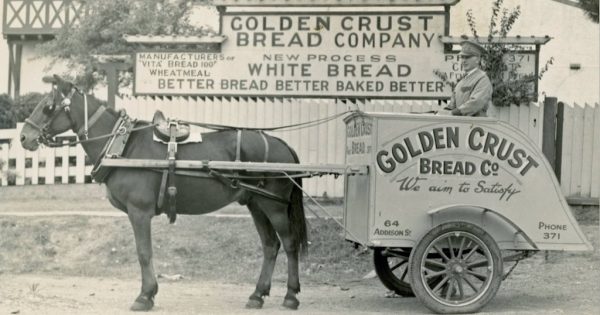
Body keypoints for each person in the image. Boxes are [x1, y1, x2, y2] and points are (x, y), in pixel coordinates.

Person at [445, 40, 493, 117]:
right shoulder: (461, 82)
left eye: (467, 57)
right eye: (462, 57)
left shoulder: (482, 79)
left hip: (476, 125)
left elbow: (476, 103)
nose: (463, 61)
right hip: (460, 125)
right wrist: (444, 111)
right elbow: (452, 105)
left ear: (477, 59)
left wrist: (453, 113)